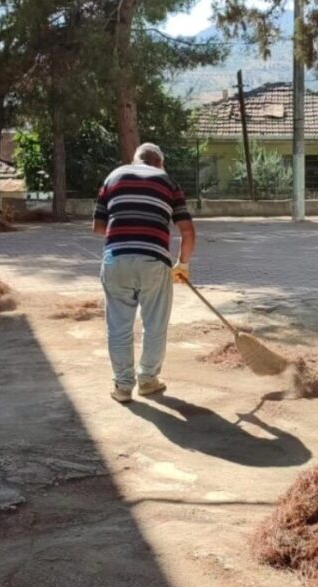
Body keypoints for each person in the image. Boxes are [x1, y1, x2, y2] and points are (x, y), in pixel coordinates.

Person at [94, 143, 196, 403]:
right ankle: (148, 380)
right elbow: (188, 232)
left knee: (118, 327)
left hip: (116, 260)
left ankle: (123, 387)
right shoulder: (168, 182)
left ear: (134, 159)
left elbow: (98, 228)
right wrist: (182, 265)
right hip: (154, 261)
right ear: (159, 163)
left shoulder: (113, 177)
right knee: (155, 325)